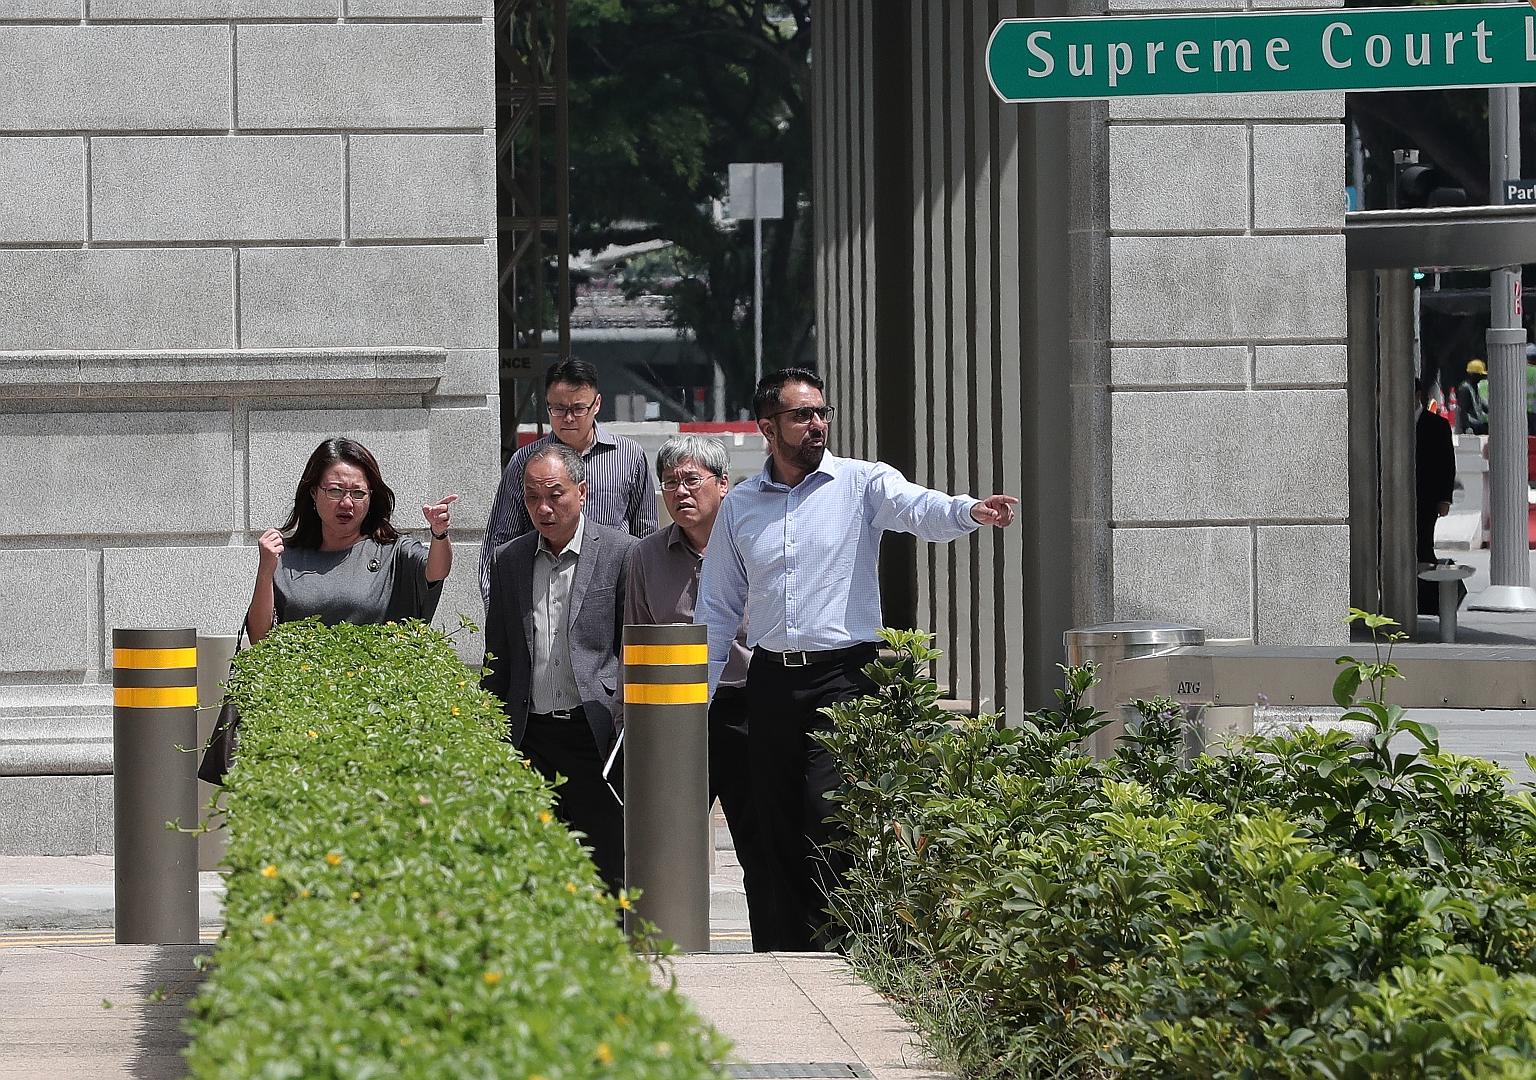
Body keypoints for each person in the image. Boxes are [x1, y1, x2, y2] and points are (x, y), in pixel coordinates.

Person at [696, 367, 1019, 951]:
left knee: (829, 818)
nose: (816, 424)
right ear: (768, 427)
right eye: (801, 415)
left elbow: (918, 508)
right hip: (770, 682)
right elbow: (718, 606)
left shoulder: (861, 483)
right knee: (773, 824)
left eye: (821, 413)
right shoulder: (741, 504)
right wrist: (699, 694)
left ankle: (840, 948)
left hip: (843, 678)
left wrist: (971, 511)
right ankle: (782, 948)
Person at [625, 434, 772, 949]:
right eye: (670, 483)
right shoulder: (644, 557)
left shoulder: (756, 546)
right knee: (667, 841)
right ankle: (664, 947)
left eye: (693, 480)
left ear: (724, 485)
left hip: (747, 707)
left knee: (759, 840)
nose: (680, 492)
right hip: (675, 714)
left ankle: (773, 948)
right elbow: (636, 635)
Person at [481, 442, 637, 895]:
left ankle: (612, 959)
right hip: (531, 735)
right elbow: (499, 656)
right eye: (531, 497)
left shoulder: (621, 551)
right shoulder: (510, 559)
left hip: (594, 733)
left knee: (606, 868)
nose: (543, 508)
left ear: (582, 492)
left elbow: (630, 642)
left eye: (555, 494)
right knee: (534, 868)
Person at [479, 358, 656, 604]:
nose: (569, 418)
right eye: (559, 409)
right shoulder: (525, 461)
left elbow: (646, 536)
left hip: (610, 594)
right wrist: (498, 616)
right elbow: (499, 544)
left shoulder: (629, 456)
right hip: (542, 595)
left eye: (578, 408)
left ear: (597, 404)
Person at [246, 437, 457, 642]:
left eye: (358, 493)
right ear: (313, 493)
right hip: (297, 676)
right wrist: (265, 571)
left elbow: (437, 571)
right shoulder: (284, 558)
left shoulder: (394, 552)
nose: (347, 503)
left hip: (377, 676)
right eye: (335, 491)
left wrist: (439, 533)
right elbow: (259, 637)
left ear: (371, 498)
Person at [1416, 379, 1456, 568]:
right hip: (1393, 495)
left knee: (1424, 542)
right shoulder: (1387, 423)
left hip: (1427, 495)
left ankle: (1426, 591)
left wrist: (1445, 498)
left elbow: (1447, 463)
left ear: (1417, 395)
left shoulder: (1437, 425)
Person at [1454, 359, 1488, 435]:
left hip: (1477, 422)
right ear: (1472, 374)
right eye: (1479, 375)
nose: (1481, 378)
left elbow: (1481, 404)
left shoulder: (1475, 387)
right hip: (1471, 425)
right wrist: (1467, 427)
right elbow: (1463, 410)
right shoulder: (1465, 388)